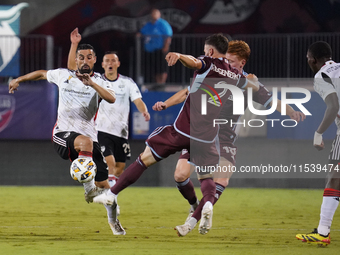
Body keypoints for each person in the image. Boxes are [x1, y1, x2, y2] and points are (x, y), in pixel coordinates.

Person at [93, 34, 260, 235]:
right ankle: (205, 205)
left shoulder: (209, 62)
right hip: (206, 138)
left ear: (210, 51)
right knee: (197, 175)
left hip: (184, 130)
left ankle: (112, 193)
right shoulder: (236, 75)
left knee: (145, 159)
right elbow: (254, 89)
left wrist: (180, 55)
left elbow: (194, 62)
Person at [153, 40, 306, 236]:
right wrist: (166, 104)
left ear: (242, 63)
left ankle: (191, 222)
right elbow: (186, 92)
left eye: (231, 61)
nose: (226, 64)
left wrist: (291, 111)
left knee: (222, 179)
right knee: (180, 175)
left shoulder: (248, 83)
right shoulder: (215, 73)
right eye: (225, 59)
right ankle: (196, 206)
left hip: (225, 139)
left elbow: (271, 100)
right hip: (200, 135)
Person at [8, 43, 126, 236]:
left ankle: (114, 224)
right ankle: (88, 190)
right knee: (86, 144)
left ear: (95, 60)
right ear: (76, 59)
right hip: (62, 135)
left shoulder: (100, 81)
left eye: (89, 57)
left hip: (89, 139)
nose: (85, 61)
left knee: (107, 190)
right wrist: (19, 79)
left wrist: (92, 84)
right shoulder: (64, 75)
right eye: (81, 57)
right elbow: (41, 74)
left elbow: (112, 98)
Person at [68, 28, 150, 219]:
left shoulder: (127, 83)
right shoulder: (94, 80)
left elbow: (137, 99)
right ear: (101, 64)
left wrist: (143, 110)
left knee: (119, 168)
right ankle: (110, 199)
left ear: (118, 63)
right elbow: (73, 68)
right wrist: (74, 45)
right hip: (101, 130)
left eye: (114, 60)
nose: (111, 63)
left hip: (121, 132)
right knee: (110, 164)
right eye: (107, 61)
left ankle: (104, 190)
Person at [296, 41, 340, 246]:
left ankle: (322, 232)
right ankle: (322, 231)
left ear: (313, 60)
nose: (307, 61)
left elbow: (333, 106)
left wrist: (318, 133)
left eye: (307, 58)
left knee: (334, 177)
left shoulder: (321, 75)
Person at [139, 8, 173, 84]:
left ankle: (162, 83)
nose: (154, 15)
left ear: (159, 15)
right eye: (153, 13)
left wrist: (166, 47)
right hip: (151, 50)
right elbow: (142, 32)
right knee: (155, 68)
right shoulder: (149, 24)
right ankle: (158, 83)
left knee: (162, 67)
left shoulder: (163, 24)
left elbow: (168, 36)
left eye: (156, 13)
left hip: (161, 49)